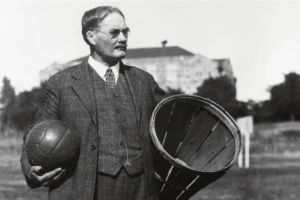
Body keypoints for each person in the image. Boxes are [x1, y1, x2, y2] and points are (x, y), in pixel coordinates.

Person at [21, 6, 165, 200]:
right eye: (114, 32)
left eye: (125, 31)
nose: (123, 38)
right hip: (81, 190)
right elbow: (36, 133)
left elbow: (173, 125)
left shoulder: (145, 81)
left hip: (140, 191)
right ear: (91, 37)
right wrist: (31, 169)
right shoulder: (62, 83)